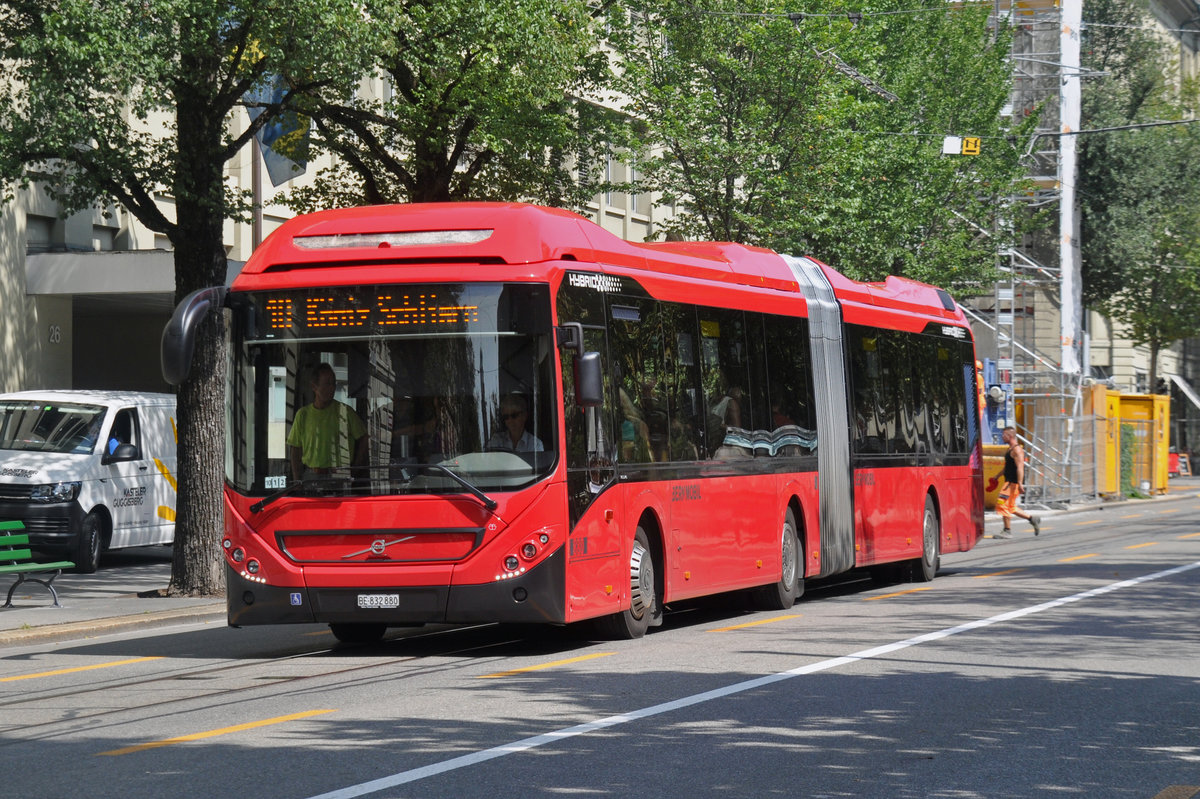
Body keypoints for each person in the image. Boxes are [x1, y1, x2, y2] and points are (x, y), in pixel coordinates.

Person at [288, 363, 368, 480]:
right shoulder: (302, 415)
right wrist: (296, 479)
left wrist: (356, 467)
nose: (332, 388)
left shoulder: (345, 412)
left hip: (340, 475)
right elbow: (295, 448)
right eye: (327, 384)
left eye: (333, 384)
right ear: (314, 386)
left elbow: (364, 438)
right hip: (311, 476)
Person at [994, 426, 1041, 538]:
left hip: (1012, 483)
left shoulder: (1017, 450)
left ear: (1010, 436)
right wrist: (997, 476)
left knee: (1002, 504)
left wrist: (1020, 483)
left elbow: (1020, 467)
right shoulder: (1010, 449)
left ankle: (1007, 531)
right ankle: (1032, 519)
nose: (1002, 436)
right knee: (1010, 507)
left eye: (1004, 435)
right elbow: (1008, 467)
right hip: (1009, 482)